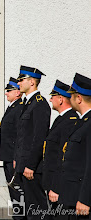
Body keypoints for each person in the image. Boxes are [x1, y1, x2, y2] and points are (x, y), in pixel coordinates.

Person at [15, 65, 51, 219]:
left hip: (32, 167)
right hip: (24, 163)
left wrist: (30, 164)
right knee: (29, 206)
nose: (19, 83)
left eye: (21, 80)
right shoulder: (28, 103)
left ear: (32, 82)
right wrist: (18, 159)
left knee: (37, 207)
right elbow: (23, 136)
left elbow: (38, 138)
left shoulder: (40, 104)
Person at [42, 80, 78, 218]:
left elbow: (62, 158)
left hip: (59, 186)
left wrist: (55, 187)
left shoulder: (69, 121)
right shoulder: (61, 119)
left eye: (53, 96)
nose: (50, 99)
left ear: (61, 99)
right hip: (52, 182)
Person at [59, 73, 91, 219]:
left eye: (71, 95)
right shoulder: (82, 122)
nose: (69, 98)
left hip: (81, 200)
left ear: (78, 98)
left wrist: (85, 199)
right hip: (72, 195)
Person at [0, 77, 23, 219]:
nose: (6, 93)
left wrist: (16, 157)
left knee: (16, 189)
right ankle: (17, 214)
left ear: (17, 92)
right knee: (13, 189)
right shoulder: (13, 106)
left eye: (9, 91)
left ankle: (19, 216)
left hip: (12, 157)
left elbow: (19, 135)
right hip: (8, 155)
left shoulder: (19, 108)